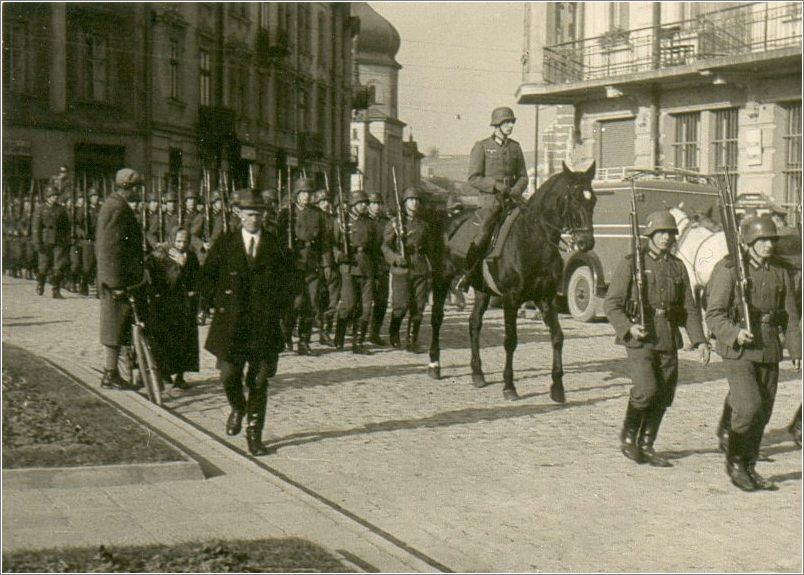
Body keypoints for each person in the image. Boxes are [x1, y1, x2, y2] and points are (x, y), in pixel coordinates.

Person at [604, 210, 710, 467]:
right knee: (646, 390)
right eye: (661, 233)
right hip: (640, 338)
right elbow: (612, 304)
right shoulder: (632, 263)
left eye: (670, 233)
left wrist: (700, 340)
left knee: (663, 394)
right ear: (650, 235)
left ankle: (647, 444)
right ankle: (629, 438)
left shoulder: (677, 266)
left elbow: (689, 308)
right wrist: (628, 328)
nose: (666, 238)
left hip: (668, 337)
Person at [706, 215, 801, 491]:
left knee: (764, 412)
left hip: (769, 346)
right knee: (748, 406)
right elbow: (714, 315)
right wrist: (735, 333)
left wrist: (796, 348)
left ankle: (749, 466)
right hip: (739, 349)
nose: (768, 245)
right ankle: (735, 463)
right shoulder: (730, 270)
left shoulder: (780, 271)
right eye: (762, 240)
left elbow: (791, 315)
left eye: (771, 240)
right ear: (749, 242)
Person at [200, 188, 295, 456]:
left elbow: (290, 283)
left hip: (263, 325)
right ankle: (238, 407)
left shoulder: (275, 245)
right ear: (238, 214)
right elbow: (208, 275)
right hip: (231, 324)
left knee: (259, 381)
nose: (255, 219)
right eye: (250, 214)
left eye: (260, 214)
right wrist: (206, 305)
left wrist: (285, 315)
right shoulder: (226, 243)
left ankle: (255, 434)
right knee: (229, 375)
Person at [462, 106, 528, 289]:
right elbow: (473, 178)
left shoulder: (515, 147)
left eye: (511, 122)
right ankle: (468, 274)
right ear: (497, 125)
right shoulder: (482, 147)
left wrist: (516, 189)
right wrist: (496, 186)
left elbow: (523, 175)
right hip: (490, 202)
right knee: (483, 234)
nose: (510, 126)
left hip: (512, 200)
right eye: (506, 122)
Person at [95, 168, 145, 390]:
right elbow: (108, 249)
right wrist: (114, 284)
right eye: (137, 188)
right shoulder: (116, 207)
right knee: (114, 327)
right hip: (116, 282)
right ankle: (110, 374)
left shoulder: (116, 205)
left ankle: (113, 372)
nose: (139, 193)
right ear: (130, 188)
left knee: (118, 326)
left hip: (122, 279)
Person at [144, 226, 200, 391]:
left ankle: (180, 376)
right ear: (172, 240)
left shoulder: (191, 257)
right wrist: (179, 266)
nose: (181, 245)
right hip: (166, 304)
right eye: (178, 241)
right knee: (166, 339)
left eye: (185, 241)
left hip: (184, 304)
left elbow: (195, 278)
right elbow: (166, 280)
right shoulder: (161, 256)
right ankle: (165, 372)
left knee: (184, 341)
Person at [382, 186, 435, 352]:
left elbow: (428, 248)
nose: (415, 203)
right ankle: (394, 332)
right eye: (411, 199)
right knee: (401, 305)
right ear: (405, 202)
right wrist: (396, 258)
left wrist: (430, 268)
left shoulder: (423, 224)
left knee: (418, 306)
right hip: (402, 268)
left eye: (417, 200)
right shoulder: (395, 224)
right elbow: (385, 246)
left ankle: (412, 340)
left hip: (419, 267)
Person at [286, 178, 333, 355]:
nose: (306, 196)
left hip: (312, 263)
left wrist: (326, 263)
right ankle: (286, 333)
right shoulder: (287, 213)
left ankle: (304, 342)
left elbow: (325, 242)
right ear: (296, 194)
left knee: (311, 303)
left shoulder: (317, 214)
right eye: (303, 193)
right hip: (292, 263)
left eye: (309, 193)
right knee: (295, 303)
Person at [333, 190, 376, 353]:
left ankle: (358, 342)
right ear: (353, 205)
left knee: (366, 308)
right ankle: (340, 335)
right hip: (349, 267)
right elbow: (333, 244)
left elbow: (375, 247)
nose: (364, 205)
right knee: (349, 305)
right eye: (361, 203)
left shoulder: (371, 223)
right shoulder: (342, 222)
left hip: (367, 267)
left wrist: (377, 270)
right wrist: (339, 255)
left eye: (366, 203)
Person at [31, 185, 71, 298]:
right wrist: (37, 243)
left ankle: (56, 290)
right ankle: (41, 283)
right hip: (45, 241)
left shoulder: (61, 209)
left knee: (59, 266)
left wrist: (66, 239)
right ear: (47, 197)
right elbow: (36, 227)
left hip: (59, 241)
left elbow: (66, 226)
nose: (55, 198)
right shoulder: (40, 209)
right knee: (43, 266)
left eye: (56, 195)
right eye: (53, 196)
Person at [313, 188, 339, 347]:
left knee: (333, 299)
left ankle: (325, 331)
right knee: (317, 299)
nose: (326, 204)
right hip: (316, 263)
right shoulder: (314, 219)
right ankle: (316, 328)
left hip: (332, 263)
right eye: (322, 201)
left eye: (328, 201)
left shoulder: (334, 220)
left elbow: (337, 241)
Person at [368, 191, 390, 345]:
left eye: (379, 203)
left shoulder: (386, 222)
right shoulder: (364, 221)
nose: (376, 206)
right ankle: (359, 332)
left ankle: (374, 332)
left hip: (382, 265)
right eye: (373, 203)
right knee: (363, 301)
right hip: (366, 264)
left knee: (381, 300)